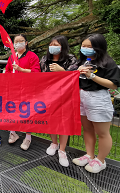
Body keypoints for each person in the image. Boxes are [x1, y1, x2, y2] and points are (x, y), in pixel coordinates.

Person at [72, 34, 120, 173]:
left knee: (102, 133)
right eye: (83, 46)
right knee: (87, 129)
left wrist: (92, 76)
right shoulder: (83, 61)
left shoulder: (108, 63)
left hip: (98, 98)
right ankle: (89, 155)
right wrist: (77, 72)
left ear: (98, 47)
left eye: (89, 46)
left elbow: (113, 85)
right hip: (82, 97)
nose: (85, 49)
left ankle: (101, 160)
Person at [40, 35, 78, 167]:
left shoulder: (71, 59)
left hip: (66, 96)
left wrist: (62, 71)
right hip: (49, 95)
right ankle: (54, 143)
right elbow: (42, 77)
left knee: (64, 122)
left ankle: (62, 150)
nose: (53, 47)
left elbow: (74, 76)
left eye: (56, 44)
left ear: (63, 46)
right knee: (51, 120)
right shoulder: (45, 59)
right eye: (51, 44)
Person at [4, 34, 41, 150]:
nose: (18, 43)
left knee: (27, 113)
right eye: (16, 41)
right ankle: (13, 133)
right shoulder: (11, 57)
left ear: (26, 43)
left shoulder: (32, 56)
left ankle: (28, 137)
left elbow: (36, 72)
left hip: (28, 90)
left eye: (21, 41)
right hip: (13, 90)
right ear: (13, 44)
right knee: (13, 111)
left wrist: (22, 70)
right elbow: (7, 70)